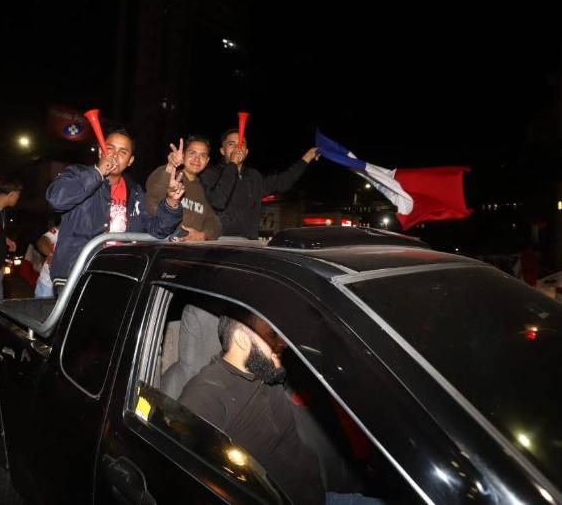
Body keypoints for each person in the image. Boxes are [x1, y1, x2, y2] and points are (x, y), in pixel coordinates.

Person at [179, 315, 382, 505]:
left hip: (322, 498)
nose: (283, 342)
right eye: (272, 334)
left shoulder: (266, 370)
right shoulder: (205, 395)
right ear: (241, 339)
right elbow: (188, 476)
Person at [46, 128, 184, 294]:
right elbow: (57, 199)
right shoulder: (77, 174)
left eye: (123, 152)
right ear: (100, 152)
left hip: (120, 275)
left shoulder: (136, 192)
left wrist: (171, 202)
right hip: (76, 275)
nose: (115, 155)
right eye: (110, 148)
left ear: (130, 161)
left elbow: (157, 230)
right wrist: (98, 173)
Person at [200, 129, 319, 239]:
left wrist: (307, 157)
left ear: (246, 152)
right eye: (232, 144)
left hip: (249, 243)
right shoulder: (210, 173)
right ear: (222, 151)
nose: (237, 148)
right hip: (220, 240)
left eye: (242, 144)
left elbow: (282, 182)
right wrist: (233, 165)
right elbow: (218, 201)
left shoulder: (253, 176)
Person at [146, 136, 221, 241]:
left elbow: (214, 221)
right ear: (183, 155)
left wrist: (204, 235)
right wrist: (170, 166)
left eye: (202, 155)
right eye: (192, 153)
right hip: (163, 246)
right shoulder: (169, 176)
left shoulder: (204, 188)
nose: (197, 159)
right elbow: (153, 202)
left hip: (192, 249)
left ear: (207, 161)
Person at [34, 225, 59, 298]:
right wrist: (51, 255)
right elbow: (43, 241)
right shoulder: (63, 228)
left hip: (73, 283)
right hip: (47, 284)